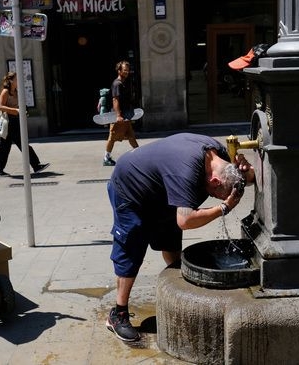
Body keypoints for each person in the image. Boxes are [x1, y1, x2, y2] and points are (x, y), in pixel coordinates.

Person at [105, 133, 255, 342]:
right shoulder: (186, 174)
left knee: (171, 241)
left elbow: (246, 179)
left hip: (160, 192)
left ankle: (179, 289)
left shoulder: (221, 158)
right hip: (130, 189)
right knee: (131, 250)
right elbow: (186, 220)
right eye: (216, 194)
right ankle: (118, 314)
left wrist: (248, 171)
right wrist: (223, 207)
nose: (213, 197)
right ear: (214, 181)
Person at [0, 72, 49, 176]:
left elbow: (18, 106)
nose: (19, 81)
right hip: (7, 122)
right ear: (11, 81)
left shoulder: (16, 92)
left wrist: (23, 110)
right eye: (16, 79)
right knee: (12, 146)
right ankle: (36, 165)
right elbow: (0, 107)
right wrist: (16, 110)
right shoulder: (5, 92)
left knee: (7, 146)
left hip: (14, 121)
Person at [103, 61, 139, 166]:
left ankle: (139, 154)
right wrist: (118, 115)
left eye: (128, 70)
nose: (127, 72)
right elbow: (115, 100)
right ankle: (106, 158)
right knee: (112, 137)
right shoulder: (117, 84)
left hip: (125, 116)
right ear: (119, 71)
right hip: (118, 117)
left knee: (131, 136)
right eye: (125, 70)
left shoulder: (124, 82)